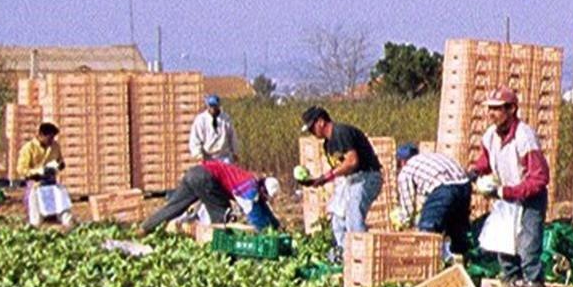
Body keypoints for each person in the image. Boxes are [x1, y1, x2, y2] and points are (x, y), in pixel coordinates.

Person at [467, 87, 550, 287]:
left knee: (528, 245)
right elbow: (486, 160)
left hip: (529, 198)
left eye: (497, 109)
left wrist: (508, 192)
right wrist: (476, 171)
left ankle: (534, 284)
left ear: (511, 109)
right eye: (490, 109)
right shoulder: (490, 136)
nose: (491, 114)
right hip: (505, 197)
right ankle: (513, 282)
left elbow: (539, 177)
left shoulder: (524, 137)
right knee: (504, 243)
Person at [298, 105, 383, 256]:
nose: (312, 132)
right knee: (338, 219)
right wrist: (317, 180)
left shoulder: (341, 132)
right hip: (350, 180)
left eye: (312, 128)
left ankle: (362, 257)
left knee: (353, 218)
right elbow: (340, 170)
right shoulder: (327, 144)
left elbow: (352, 162)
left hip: (366, 177)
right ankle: (346, 256)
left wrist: (325, 178)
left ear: (321, 122)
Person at [141, 160, 281, 234]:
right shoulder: (249, 190)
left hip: (195, 172)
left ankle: (144, 228)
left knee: (174, 207)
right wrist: (265, 232)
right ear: (262, 189)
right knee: (222, 215)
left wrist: (276, 225)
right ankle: (221, 253)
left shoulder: (252, 182)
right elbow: (255, 216)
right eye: (266, 195)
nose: (265, 198)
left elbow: (263, 208)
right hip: (206, 178)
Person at [394, 142, 472, 261]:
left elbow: (408, 205)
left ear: (402, 161)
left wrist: (404, 222)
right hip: (464, 185)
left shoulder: (407, 170)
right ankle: (463, 263)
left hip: (444, 189)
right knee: (457, 230)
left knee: (428, 230)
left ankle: (429, 266)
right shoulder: (431, 157)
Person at [16, 122, 72, 227]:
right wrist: (37, 172)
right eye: (49, 138)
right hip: (36, 184)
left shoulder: (55, 146)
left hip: (51, 183)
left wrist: (60, 165)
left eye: (53, 138)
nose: (52, 140)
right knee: (36, 219)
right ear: (41, 135)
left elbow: (60, 161)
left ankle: (68, 226)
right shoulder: (29, 148)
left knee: (63, 208)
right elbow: (21, 169)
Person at [188, 94, 238, 163]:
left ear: (218, 106)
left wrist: (235, 152)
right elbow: (195, 139)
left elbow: (232, 136)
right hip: (207, 157)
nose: (213, 108)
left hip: (223, 156)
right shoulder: (201, 120)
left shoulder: (225, 119)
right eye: (211, 106)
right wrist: (198, 155)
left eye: (215, 106)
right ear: (208, 106)